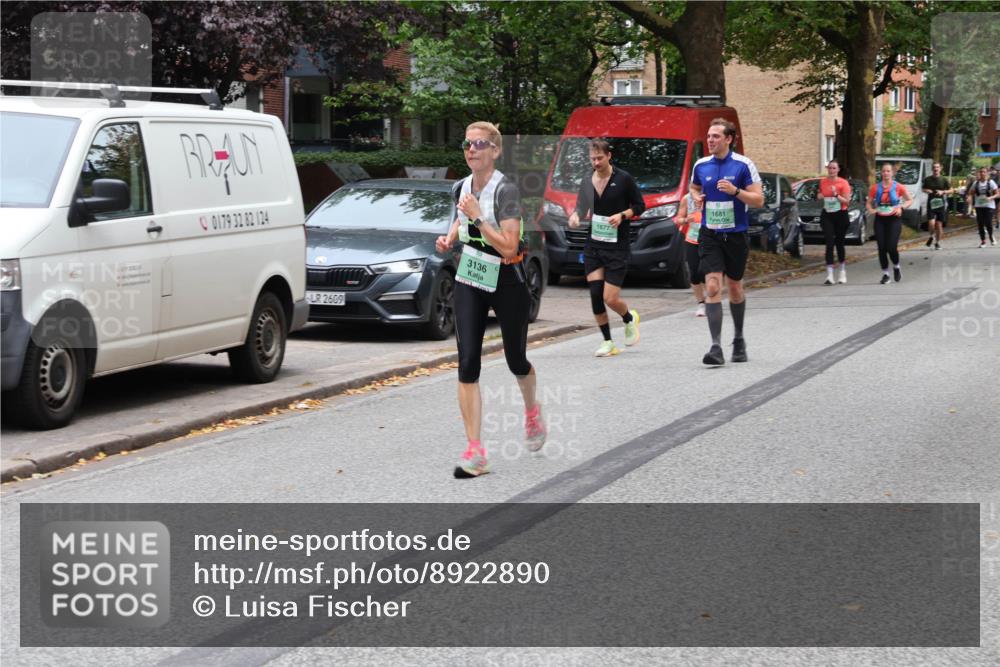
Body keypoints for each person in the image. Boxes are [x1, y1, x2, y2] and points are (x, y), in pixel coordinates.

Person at [435, 121, 545, 478]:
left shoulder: (506, 191)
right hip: (470, 274)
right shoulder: (460, 186)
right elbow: (459, 216)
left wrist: (478, 219)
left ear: (495, 151)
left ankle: (531, 411)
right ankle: (475, 451)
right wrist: (450, 237)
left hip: (505, 276)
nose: (471, 149)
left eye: (479, 144)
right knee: (467, 361)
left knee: (516, 359)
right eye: (467, 144)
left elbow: (510, 245)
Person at [689, 118, 765, 366]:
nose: (710, 140)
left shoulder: (744, 165)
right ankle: (715, 346)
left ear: (729, 139)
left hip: (735, 235)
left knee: (734, 287)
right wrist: (697, 197)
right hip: (710, 233)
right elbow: (693, 187)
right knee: (712, 286)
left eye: (716, 136)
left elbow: (758, 200)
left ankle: (739, 339)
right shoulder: (701, 165)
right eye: (709, 136)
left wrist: (735, 192)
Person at [567, 139, 645, 357]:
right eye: (592, 159)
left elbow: (640, 206)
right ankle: (608, 341)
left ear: (609, 156)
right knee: (595, 294)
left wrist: (622, 215)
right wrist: (575, 216)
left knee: (610, 298)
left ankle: (629, 318)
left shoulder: (624, 179)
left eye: (600, 158)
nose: (596, 162)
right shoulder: (586, 181)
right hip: (594, 245)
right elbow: (581, 207)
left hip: (617, 246)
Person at [866, 163, 913, 284]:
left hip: (894, 219)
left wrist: (901, 208)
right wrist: (871, 209)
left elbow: (909, 200)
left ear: (892, 173)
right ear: (881, 173)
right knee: (881, 248)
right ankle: (885, 274)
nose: (886, 173)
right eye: (883, 171)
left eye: (888, 171)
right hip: (880, 219)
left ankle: (896, 266)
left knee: (891, 247)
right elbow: (869, 202)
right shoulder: (875, 188)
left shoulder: (898, 187)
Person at [816, 159, 852, 284]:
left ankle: (842, 271)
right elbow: (819, 195)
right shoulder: (823, 182)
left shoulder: (843, 183)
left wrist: (836, 195)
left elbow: (847, 201)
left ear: (838, 170)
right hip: (827, 214)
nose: (831, 170)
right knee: (829, 243)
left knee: (839, 243)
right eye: (830, 168)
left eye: (834, 168)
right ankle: (829, 275)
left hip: (841, 214)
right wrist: (820, 196)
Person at [675, 189, 706, 315]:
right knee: (694, 273)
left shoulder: (712, 195)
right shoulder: (687, 198)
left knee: (705, 271)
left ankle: (712, 299)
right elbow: (678, 219)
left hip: (710, 240)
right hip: (692, 239)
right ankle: (701, 304)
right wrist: (687, 220)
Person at [921, 162, 952, 250]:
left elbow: (951, 190)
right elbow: (923, 188)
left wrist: (943, 192)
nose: (936, 169)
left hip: (940, 204)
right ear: (932, 169)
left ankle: (938, 243)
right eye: (934, 167)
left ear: (940, 168)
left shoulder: (944, 180)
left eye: (937, 167)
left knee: (939, 225)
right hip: (931, 203)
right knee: (931, 223)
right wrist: (927, 190)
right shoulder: (927, 179)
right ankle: (932, 236)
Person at [966, 166, 998, 247]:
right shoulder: (976, 183)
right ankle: (983, 241)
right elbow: (970, 193)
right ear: (979, 173)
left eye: (984, 172)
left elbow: (998, 194)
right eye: (981, 172)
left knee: (988, 223)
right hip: (979, 206)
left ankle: (991, 236)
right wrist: (969, 198)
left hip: (989, 206)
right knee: (980, 224)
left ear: (987, 173)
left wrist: (990, 197)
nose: (982, 173)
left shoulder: (991, 182)